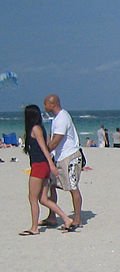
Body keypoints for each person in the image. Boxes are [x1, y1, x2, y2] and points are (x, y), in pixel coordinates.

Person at [20, 104, 72, 235]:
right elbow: (48, 145)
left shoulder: (35, 129)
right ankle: (66, 218)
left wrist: (51, 164)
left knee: (32, 198)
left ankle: (34, 228)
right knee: (43, 199)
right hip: (42, 165)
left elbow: (45, 148)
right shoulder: (41, 128)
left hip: (39, 166)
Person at [43, 94, 85, 230]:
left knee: (73, 187)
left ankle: (77, 219)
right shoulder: (56, 118)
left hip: (70, 156)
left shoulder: (62, 118)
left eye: (46, 104)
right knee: (52, 185)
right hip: (59, 158)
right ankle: (51, 216)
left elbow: (55, 141)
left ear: (52, 104)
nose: (44, 107)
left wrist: (43, 150)